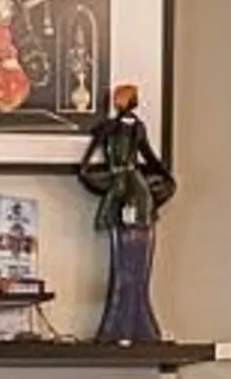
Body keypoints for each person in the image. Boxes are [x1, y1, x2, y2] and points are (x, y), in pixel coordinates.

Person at [74, 80, 175, 345]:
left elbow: (85, 166)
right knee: (133, 266)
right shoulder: (130, 129)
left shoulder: (109, 129)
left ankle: (123, 327)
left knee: (127, 264)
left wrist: (94, 177)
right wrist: (166, 179)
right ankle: (129, 326)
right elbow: (152, 160)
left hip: (123, 191)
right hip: (135, 192)